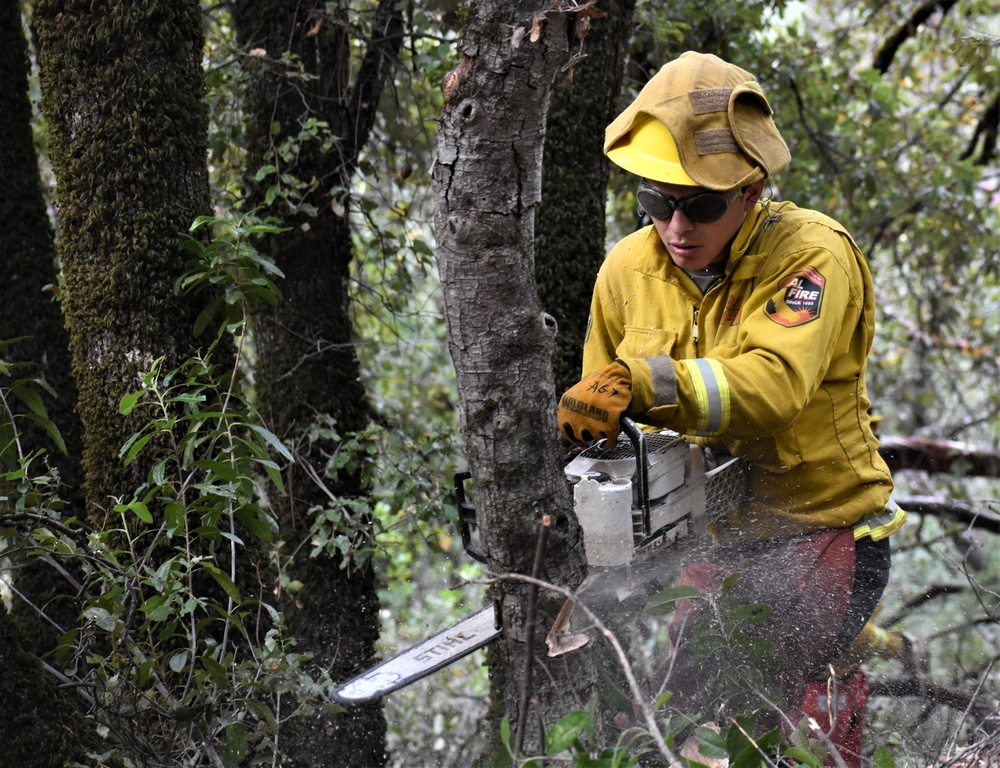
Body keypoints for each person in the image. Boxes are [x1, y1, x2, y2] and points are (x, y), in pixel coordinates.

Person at [556, 52, 907, 760]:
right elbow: (604, 415)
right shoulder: (627, 271)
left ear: (752, 189)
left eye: (702, 206)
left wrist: (650, 382)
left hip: (824, 530)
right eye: (657, 202)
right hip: (711, 541)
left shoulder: (811, 257)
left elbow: (770, 389)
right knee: (700, 711)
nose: (677, 227)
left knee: (734, 718)